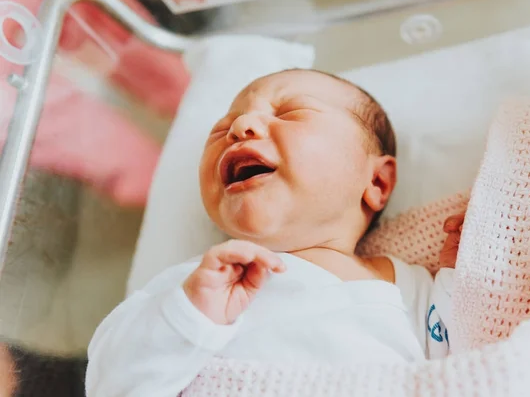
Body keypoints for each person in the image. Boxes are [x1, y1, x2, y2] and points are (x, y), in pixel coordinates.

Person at [84, 69, 462, 397]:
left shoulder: (408, 284)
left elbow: (456, 359)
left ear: (377, 181)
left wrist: (457, 277)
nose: (238, 128)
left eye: (289, 113)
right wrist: (188, 316)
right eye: (221, 128)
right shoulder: (198, 287)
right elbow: (113, 385)